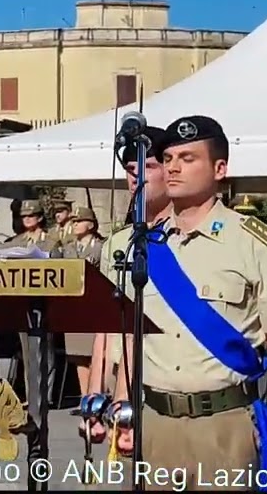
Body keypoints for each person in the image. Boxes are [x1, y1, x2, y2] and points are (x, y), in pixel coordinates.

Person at [112, 115, 267, 489]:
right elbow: (132, 343)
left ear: (219, 169)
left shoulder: (253, 242)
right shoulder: (143, 247)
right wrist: (122, 410)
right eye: (168, 159)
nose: (173, 167)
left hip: (226, 425)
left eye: (188, 158)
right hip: (155, 424)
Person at [84, 125, 169, 439]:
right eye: (131, 169)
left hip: (165, 382)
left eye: (148, 167)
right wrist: (93, 398)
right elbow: (107, 326)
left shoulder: (187, 238)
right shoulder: (118, 244)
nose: (137, 177)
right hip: (122, 385)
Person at [5, 199, 61, 415]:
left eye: (31, 216)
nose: (27, 219)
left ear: (39, 218)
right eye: (24, 217)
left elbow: (60, 270)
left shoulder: (51, 242)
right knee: (28, 352)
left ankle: (46, 395)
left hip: (46, 301)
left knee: (45, 351)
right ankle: (32, 395)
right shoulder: (16, 242)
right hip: (23, 301)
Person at [62, 205, 103, 409]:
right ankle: (84, 397)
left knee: (95, 353)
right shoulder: (68, 248)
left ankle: (97, 396)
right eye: (74, 221)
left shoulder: (100, 247)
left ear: (91, 224)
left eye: (79, 221)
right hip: (74, 305)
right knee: (78, 355)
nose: (75, 224)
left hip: (95, 305)